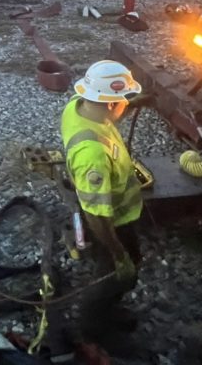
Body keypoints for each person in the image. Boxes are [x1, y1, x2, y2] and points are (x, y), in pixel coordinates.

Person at [60, 60, 145, 343]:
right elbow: (96, 215)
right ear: (110, 104)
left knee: (121, 271)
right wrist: (118, 253)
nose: (125, 105)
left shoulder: (77, 106)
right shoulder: (92, 154)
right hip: (111, 223)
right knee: (114, 274)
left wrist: (135, 100)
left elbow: (103, 100)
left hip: (107, 211)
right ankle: (94, 329)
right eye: (122, 101)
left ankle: (108, 310)